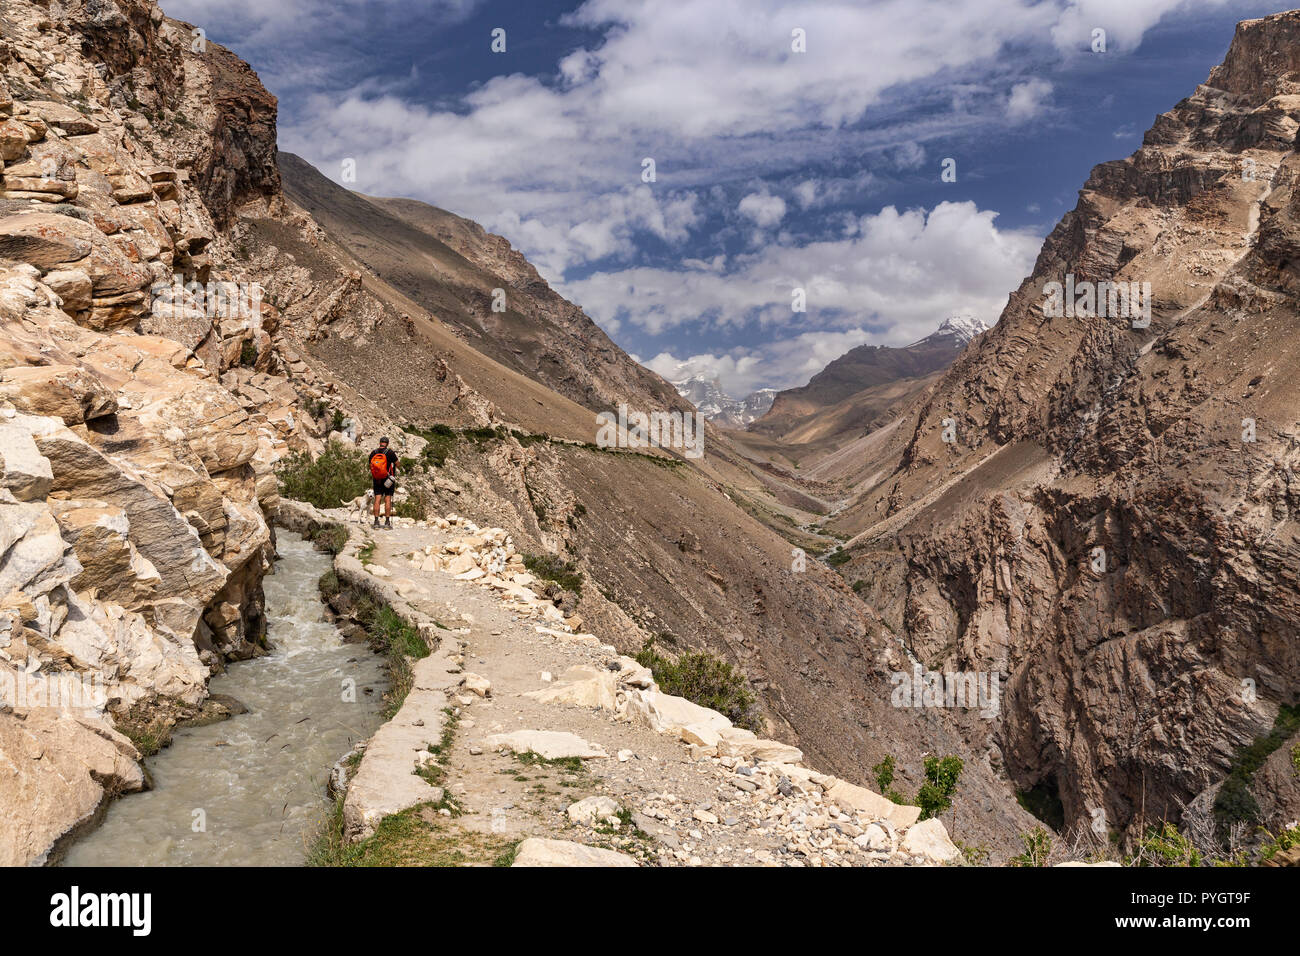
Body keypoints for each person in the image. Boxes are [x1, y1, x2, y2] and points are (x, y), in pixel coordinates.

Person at [368, 437, 399, 529]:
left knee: (377, 499)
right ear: (387, 443)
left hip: (377, 479)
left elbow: (371, 465)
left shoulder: (374, 452)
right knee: (387, 499)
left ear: (380, 443)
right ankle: (387, 522)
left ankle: (376, 522)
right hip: (388, 479)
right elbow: (398, 464)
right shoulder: (390, 452)